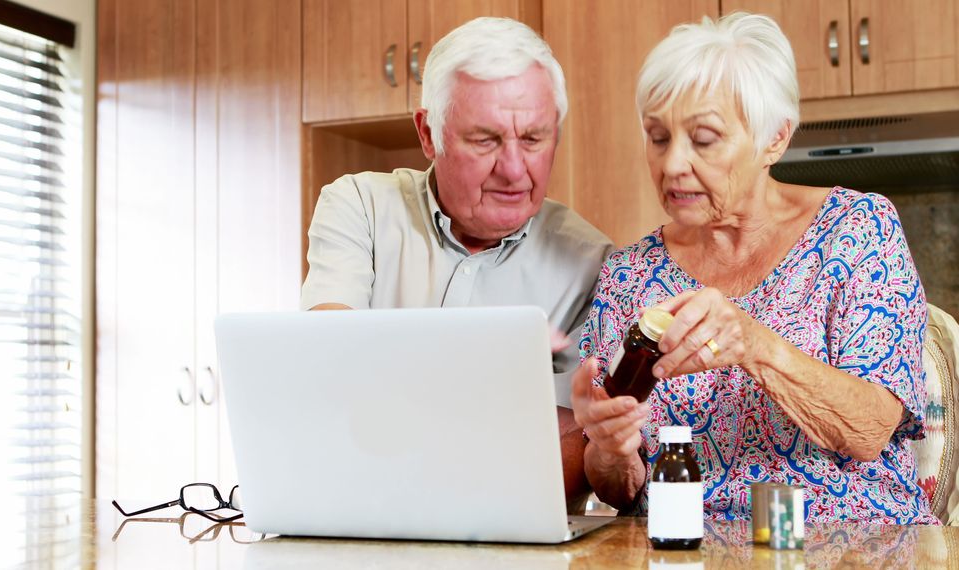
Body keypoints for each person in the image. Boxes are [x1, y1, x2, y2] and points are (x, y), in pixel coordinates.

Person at [571, 12, 937, 524]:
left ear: (775, 139)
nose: (673, 164)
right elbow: (620, 490)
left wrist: (752, 343)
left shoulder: (857, 230)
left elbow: (871, 428)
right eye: (658, 137)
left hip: (849, 546)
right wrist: (609, 448)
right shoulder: (628, 274)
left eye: (703, 139)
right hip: (682, 551)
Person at [301, 17, 613, 508]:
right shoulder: (358, 206)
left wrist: (390, 389)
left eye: (533, 139)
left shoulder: (594, 263)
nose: (514, 170)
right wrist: (495, 386)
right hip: (356, 516)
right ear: (429, 134)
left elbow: (577, 448)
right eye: (485, 140)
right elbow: (330, 364)